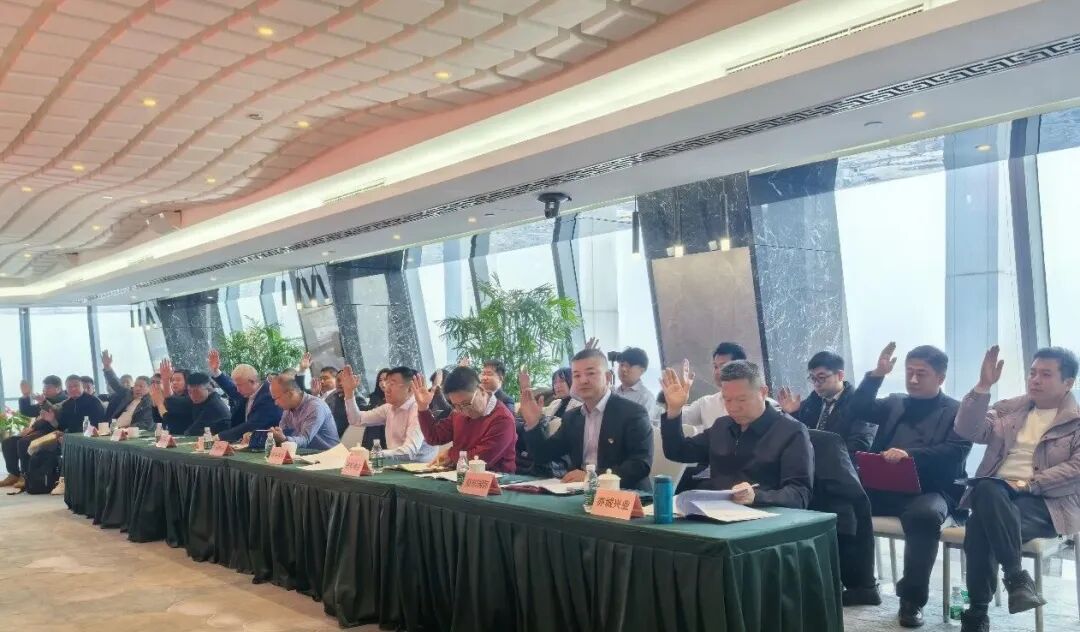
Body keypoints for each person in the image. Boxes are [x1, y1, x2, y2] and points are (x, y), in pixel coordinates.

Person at [954, 346, 1080, 632]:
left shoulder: (1076, 421)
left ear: (1068, 383)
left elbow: (1076, 469)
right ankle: (1017, 579)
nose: (1035, 380)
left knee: (980, 523)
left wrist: (1028, 484)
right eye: (1032, 373)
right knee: (988, 490)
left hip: (1048, 503)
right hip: (996, 494)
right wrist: (983, 386)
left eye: (1045, 374)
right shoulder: (1009, 409)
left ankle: (977, 612)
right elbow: (967, 430)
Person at [848, 342, 971, 628]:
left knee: (924, 517)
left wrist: (909, 455)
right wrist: (877, 374)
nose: (913, 379)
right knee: (842, 500)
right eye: (909, 372)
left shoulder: (957, 410)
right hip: (884, 485)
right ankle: (860, 584)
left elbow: (956, 451)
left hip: (932, 489)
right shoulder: (895, 402)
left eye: (921, 374)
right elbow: (858, 407)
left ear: (940, 378)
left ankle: (912, 600)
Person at [658, 359, 814, 508]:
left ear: (763, 392)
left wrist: (756, 496)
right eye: (727, 400)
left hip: (764, 516)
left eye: (741, 400)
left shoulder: (791, 432)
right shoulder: (722, 426)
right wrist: (674, 409)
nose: (733, 408)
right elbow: (677, 451)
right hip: (716, 512)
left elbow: (799, 494)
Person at [520, 348, 653, 490]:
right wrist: (533, 423)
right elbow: (543, 455)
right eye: (577, 375)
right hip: (579, 492)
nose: (583, 380)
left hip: (623, 494)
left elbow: (640, 465)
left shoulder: (633, 413)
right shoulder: (572, 417)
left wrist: (591, 477)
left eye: (590, 373)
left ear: (607, 377)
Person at [413, 366, 517, 472]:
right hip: (460, 474)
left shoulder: (503, 419)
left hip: (495, 478)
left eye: (466, 404)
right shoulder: (458, 413)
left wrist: (450, 454)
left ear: (481, 390)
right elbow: (434, 437)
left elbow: (480, 459)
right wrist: (423, 408)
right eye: (455, 405)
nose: (463, 410)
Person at [778, 351, 878, 455]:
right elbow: (798, 435)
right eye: (813, 378)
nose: (816, 384)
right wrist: (792, 413)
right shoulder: (812, 401)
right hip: (809, 461)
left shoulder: (860, 404)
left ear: (840, 375)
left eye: (821, 378)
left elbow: (859, 447)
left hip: (839, 462)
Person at [339, 365, 435, 463]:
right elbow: (356, 420)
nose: (386, 388)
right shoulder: (389, 408)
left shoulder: (418, 410)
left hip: (419, 468)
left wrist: (371, 454)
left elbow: (409, 452)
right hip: (395, 465)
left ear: (410, 389)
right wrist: (349, 392)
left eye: (392, 384)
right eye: (386, 383)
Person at [210, 350, 285, 443]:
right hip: (245, 442)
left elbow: (252, 424)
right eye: (236, 385)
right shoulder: (248, 392)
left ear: (252, 381)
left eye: (239, 385)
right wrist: (216, 371)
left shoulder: (268, 396)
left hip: (267, 444)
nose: (237, 389)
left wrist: (220, 437)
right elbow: (230, 388)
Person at [679, 342, 747, 431]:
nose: (717, 372)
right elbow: (677, 421)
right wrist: (675, 405)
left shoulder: (759, 402)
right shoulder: (706, 403)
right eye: (715, 367)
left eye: (723, 366)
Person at [269, 374, 340, 451]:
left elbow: (305, 440)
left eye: (276, 398)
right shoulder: (287, 410)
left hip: (328, 454)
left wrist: (284, 439)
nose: (275, 403)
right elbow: (283, 431)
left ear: (290, 394)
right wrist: (277, 435)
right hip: (305, 453)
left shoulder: (315, 406)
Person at [153, 372, 231, 437]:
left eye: (197, 392)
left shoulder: (214, 407)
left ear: (209, 389)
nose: (193, 396)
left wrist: (160, 404)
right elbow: (171, 404)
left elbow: (190, 433)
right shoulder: (199, 399)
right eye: (189, 392)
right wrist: (157, 400)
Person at [100, 351, 154, 431]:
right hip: (112, 428)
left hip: (131, 433)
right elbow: (115, 383)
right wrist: (107, 367)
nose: (137, 388)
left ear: (149, 388)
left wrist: (125, 430)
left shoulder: (150, 403)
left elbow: (145, 424)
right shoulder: (127, 393)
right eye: (136, 385)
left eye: (141, 386)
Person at [317, 366, 368, 436]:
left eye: (344, 380)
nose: (340, 383)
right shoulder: (332, 397)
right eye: (338, 380)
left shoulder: (358, 399)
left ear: (353, 381)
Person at [613, 347, 655, 413]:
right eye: (622, 365)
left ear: (642, 371)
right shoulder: (613, 392)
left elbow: (645, 420)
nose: (623, 369)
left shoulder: (646, 398)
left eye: (629, 366)